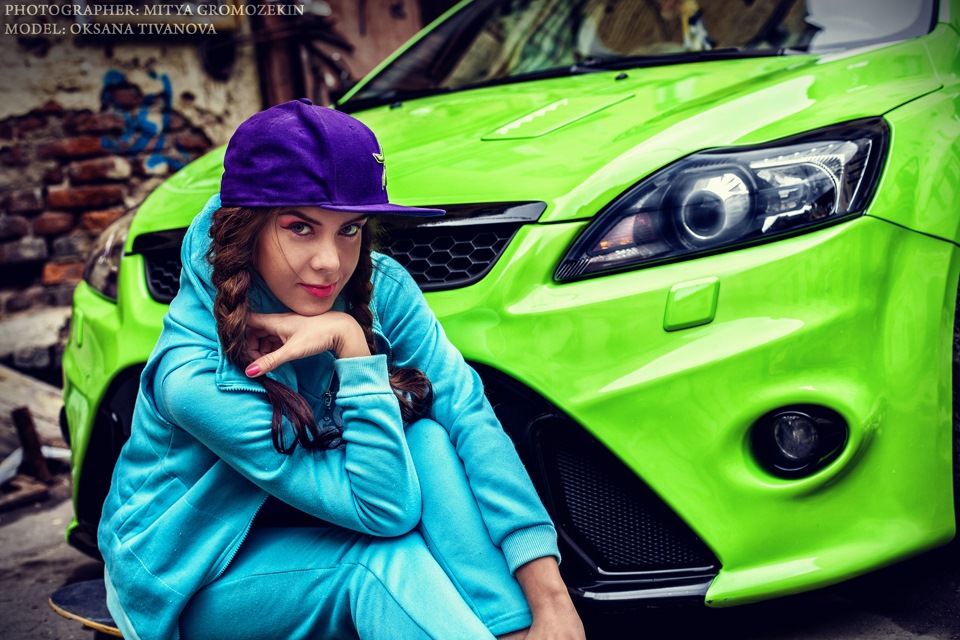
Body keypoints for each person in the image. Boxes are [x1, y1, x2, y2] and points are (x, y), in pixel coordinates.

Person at [97, 98, 586, 640]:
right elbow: (386, 510)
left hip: (306, 520)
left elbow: (468, 417)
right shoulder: (194, 377)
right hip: (189, 577)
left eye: (349, 230)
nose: (330, 262)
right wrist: (351, 343)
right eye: (300, 228)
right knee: (378, 565)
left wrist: (551, 599)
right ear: (246, 228)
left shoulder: (384, 287)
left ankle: (516, 628)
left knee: (427, 439)